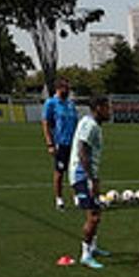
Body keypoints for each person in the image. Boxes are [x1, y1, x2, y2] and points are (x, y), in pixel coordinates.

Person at [66, 96, 112, 268]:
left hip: (87, 174)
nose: (110, 111)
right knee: (93, 216)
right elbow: (82, 150)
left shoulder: (93, 124)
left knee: (96, 212)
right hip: (81, 175)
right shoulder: (90, 125)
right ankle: (85, 254)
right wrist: (91, 178)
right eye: (107, 107)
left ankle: (92, 247)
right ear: (98, 108)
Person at [42, 77, 78, 211]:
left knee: (75, 171)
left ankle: (77, 197)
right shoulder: (51, 103)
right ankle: (59, 199)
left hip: (73, 143)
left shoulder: (70, 104)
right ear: (59, 88)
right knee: (59, 172)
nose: (68, 91)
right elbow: (46, 123)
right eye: (66, 88)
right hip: (60, 143)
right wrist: (50, 144)